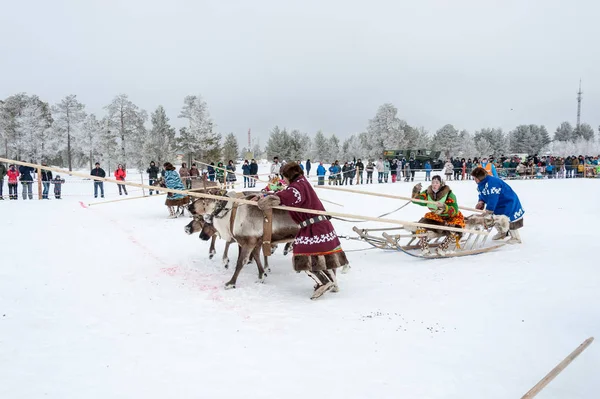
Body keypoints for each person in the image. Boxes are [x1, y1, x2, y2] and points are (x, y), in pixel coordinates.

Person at [257, 162, 349, 300]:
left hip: (314, 228)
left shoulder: (297, 187)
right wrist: (266, 195)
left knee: (302, 256)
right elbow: (286, 193)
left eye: (284, 176)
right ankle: (333, 283)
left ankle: (324, 281)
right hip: (320, 225)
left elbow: (287, 196)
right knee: (324, 256)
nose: (283, 179)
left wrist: (269, 198)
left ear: (289, 175)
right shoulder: (302, 182)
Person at [411, 175, 465, 256]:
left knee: (455, 230)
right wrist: (415, 192)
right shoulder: (428, 193)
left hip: (450, 217)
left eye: (437, 183)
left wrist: (445, 208)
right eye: (433, 182)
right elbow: (416, 200)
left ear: (441, 184)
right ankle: (424, 249)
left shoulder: (449, 194)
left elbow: (455, 210)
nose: (434, 184)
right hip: (436, 216)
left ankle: (441, 248)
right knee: (421, 225)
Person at [471, 166, 524, 243]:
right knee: (496, 218)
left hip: (508, 202)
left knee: (509, 219)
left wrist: (488, 211)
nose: (474, 180)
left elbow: (493, 198)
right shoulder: (481, 184)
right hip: (498, 204)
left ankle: (516, 237)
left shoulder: (493, 183)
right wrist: (481, 201)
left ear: (480, 177)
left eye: (475, 178)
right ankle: (503, 232)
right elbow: (482, 194)